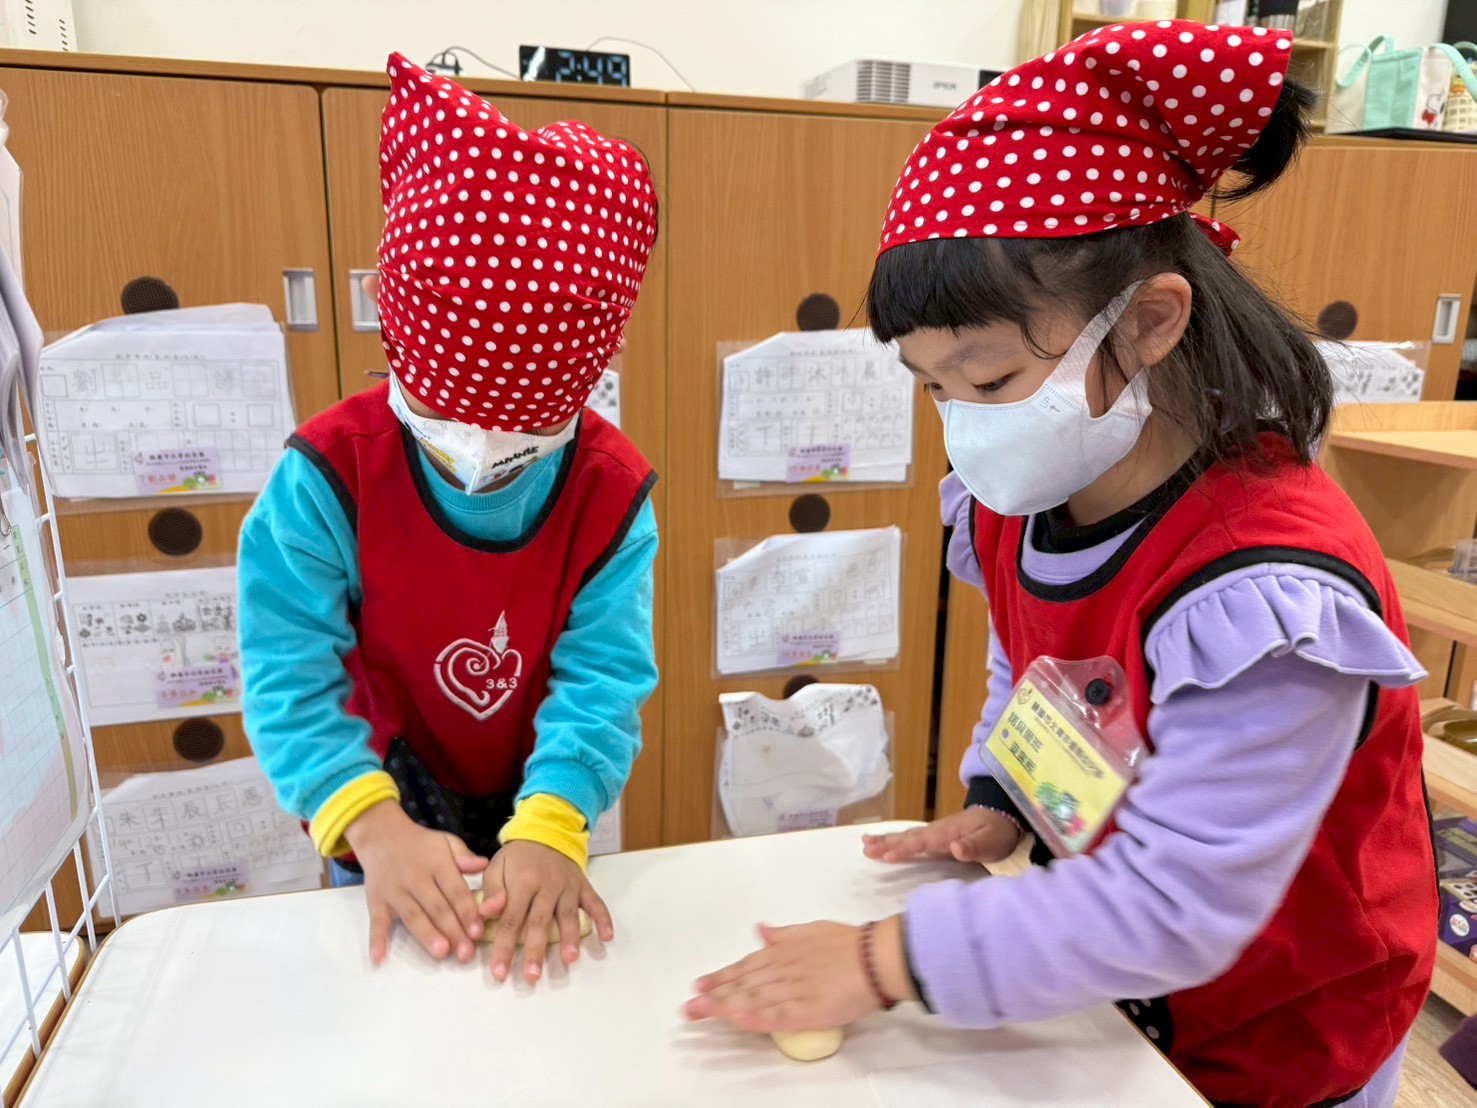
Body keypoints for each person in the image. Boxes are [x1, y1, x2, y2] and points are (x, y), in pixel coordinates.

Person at [685, 20, 1436, 1107]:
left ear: (1149, 323)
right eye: (932, 387)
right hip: (1122, 1000)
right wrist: (1005, 797)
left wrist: (881, 961)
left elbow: (1175, 903)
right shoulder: (1030, 496)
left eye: (988, 382)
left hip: (1285, 1021)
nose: (963, 424)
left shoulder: (1265, 594)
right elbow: (1042, 674)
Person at [239, 54, 660, 985]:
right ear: (389, 321)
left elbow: (602, 675)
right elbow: (289, 668)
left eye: (524, 431)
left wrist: (554, 821)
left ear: (596, 368)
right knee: (397, 992)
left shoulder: (610, 493)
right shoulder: (325, 477)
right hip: (375, 786)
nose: (479, 451)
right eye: (448, 416)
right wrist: (368, 821)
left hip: (545, 781)